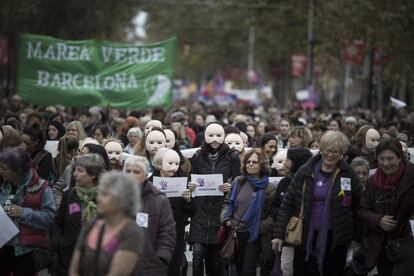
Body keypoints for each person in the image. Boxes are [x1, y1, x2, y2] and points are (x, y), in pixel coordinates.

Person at [272, 131, 362, 276]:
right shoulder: (305, 171)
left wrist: (357, 239)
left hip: (336, 239)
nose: (330, 155)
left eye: (335, 151)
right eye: (327, 150)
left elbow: (359, 208)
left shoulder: (348, 174)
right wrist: (278, 234)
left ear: (342, 154)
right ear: (321, 150)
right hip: (306, 235)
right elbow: (287, 204)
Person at [355, 138, 414, 275]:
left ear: (400, 157)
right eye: (382, 159)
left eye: (390, 158)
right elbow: (362, 209)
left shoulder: (411, 177)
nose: (386, 163)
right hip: (382, 246)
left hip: (408, 243)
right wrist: (378, 220)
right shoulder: (372, 182)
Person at [189, 122, 241, 276]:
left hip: (220, 210)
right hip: (201, 211)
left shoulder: (232, 157)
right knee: (197, 255)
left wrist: (230, 186)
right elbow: (191, 178)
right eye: (211, 135)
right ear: (205, 136)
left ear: (223, 136)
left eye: (218, 135)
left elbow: (239, 178)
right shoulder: (197, 156)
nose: (215, 139)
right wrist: (190, 185)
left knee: (215, 260)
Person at [68, 172, 143, 275]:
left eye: (105, 194)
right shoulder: (91, 225)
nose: (98, 198)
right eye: (99, 193)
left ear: (122, 199)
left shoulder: (131, 232)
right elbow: (73, 270)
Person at [0, 147, 56, 275]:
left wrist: (23, 213)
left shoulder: (42, 188)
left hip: (26, 251)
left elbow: (50, 218)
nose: (1, 172)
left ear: (19, 170)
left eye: (5, 169)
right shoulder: (4, 186)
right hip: (3, 247)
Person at [221, 149, 274, 276]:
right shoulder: (238, 181)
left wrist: (258, 227)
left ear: (262, 165)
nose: (250, 164)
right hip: (235, 233)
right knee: (238, 269)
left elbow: (273, 216)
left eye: (254, 162)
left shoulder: (269, 188)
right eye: (248, 162)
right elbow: (228, 203)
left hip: (253, 235)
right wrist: (226, 220)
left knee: (248, 271)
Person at [52, 153, 107, 275]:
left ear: (93, 174)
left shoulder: (107, 198)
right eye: (75, 170)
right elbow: (58, 222)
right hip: (68, 258)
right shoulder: (70, 195)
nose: (75, 174)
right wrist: (59, 243)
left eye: (80, 171)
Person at [124, 155, 176, 275]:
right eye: (128, 171)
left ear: (146, 175)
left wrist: (161, 258)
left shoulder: (159, 200)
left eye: (136, 171)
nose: (131, 175)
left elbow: (167, 233)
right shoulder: (114, 196)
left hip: (148, 266)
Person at [270, 147, 313, 276]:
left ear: (297, 162)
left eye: (288, 160)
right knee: (286, 269)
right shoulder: (284, 182)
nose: (285, 163)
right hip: (288, 237)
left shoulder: (312, 183)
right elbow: (274, 206)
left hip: (308, 238)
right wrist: (284, 217)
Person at [156, 149, 197, 276]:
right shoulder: (150, 182)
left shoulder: (181, 182)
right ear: (159, 163)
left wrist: (188, 200)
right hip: (154, 234)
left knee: (173, 269)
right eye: (170, 163)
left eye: (176, 164)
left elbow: (192, 212)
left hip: (176, 234)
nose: (173, 168)